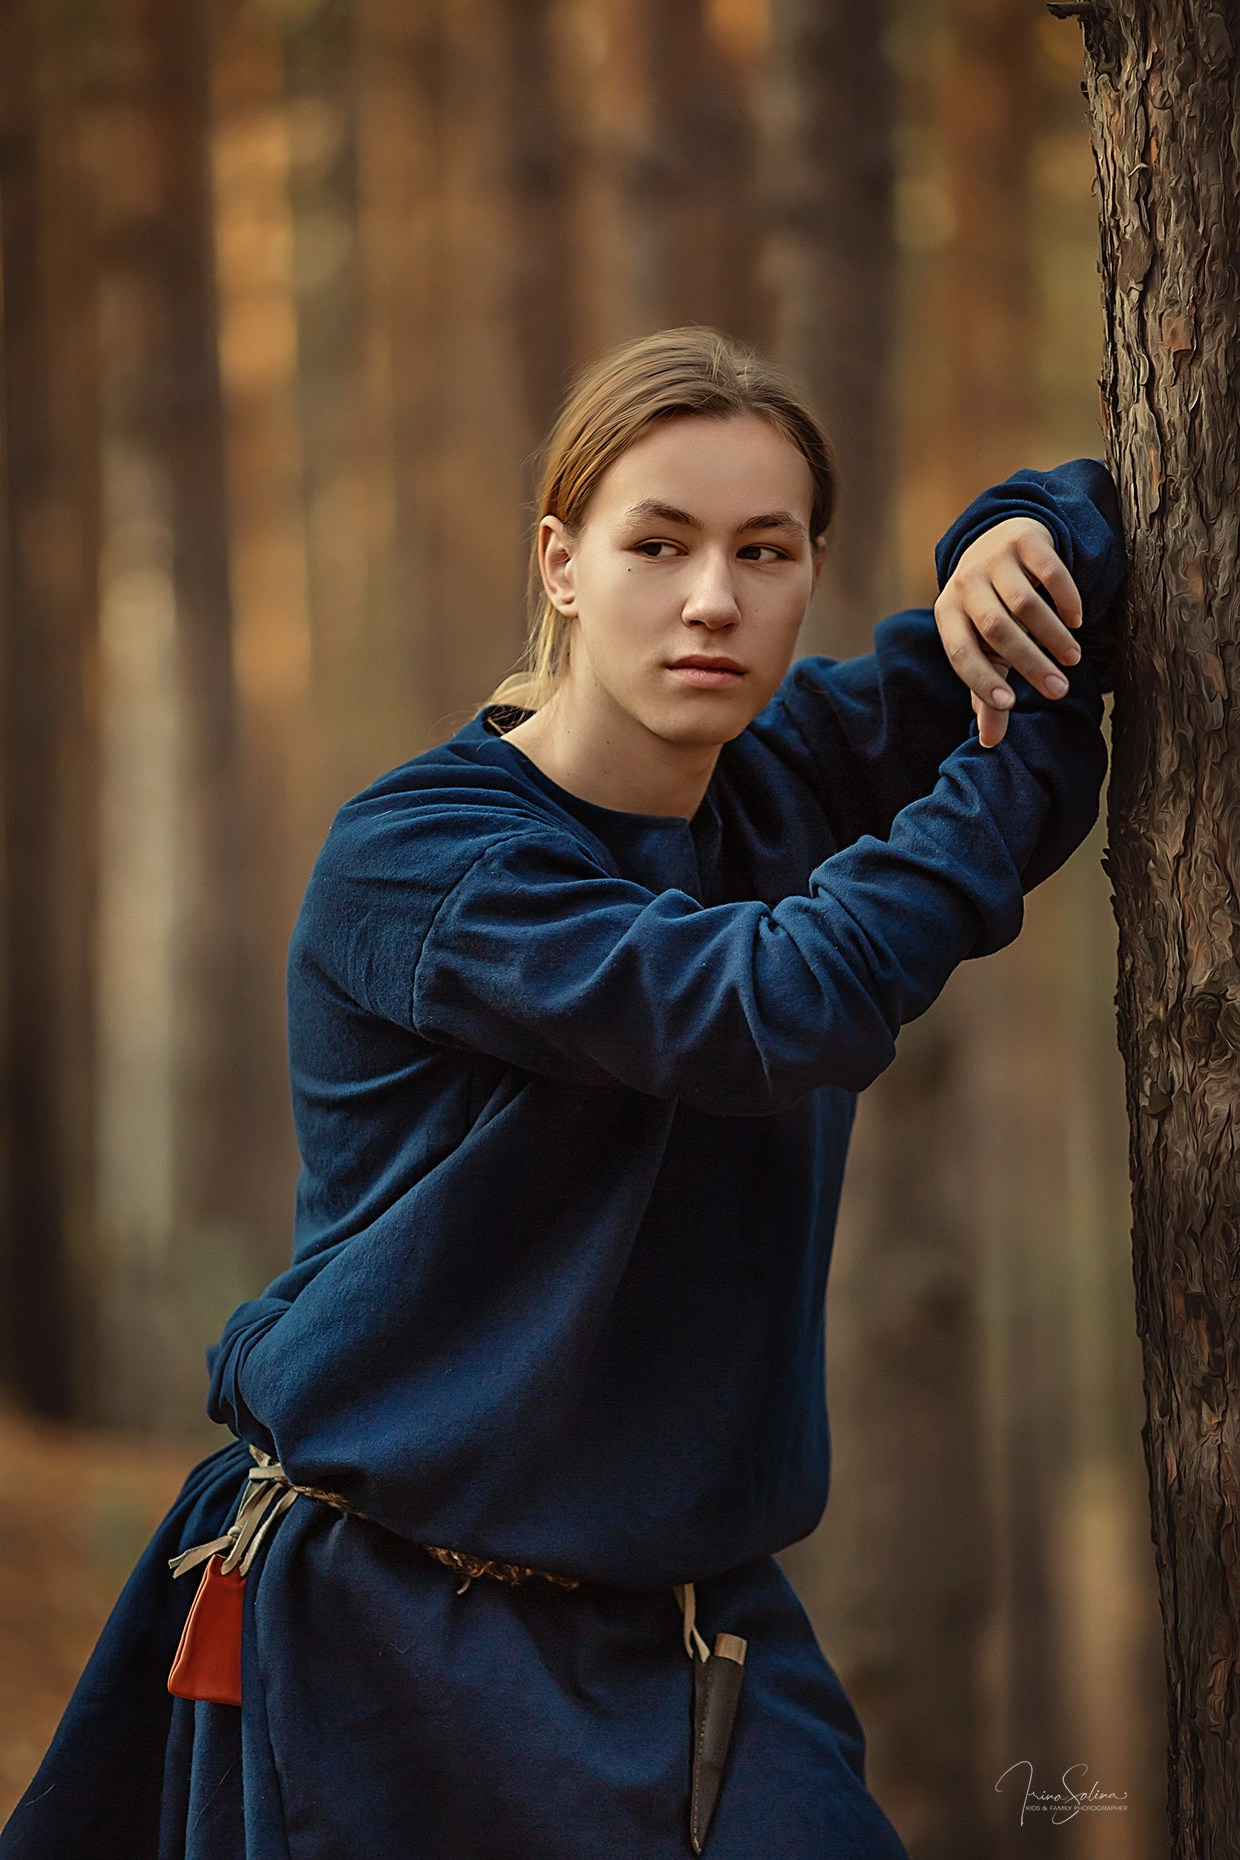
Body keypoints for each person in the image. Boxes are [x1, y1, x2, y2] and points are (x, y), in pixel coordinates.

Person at [1, 327, 1126, 1860]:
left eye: (764, 548)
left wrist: (1019, 541)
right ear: (563, 563)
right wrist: (1038, 723)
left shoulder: (776, 774)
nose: (714, 597)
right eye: (657, 544)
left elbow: (1081, 547)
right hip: (387, 1626)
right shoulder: (428, 864)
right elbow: (773, 1001)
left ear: (809, 571)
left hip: (692, 1629)